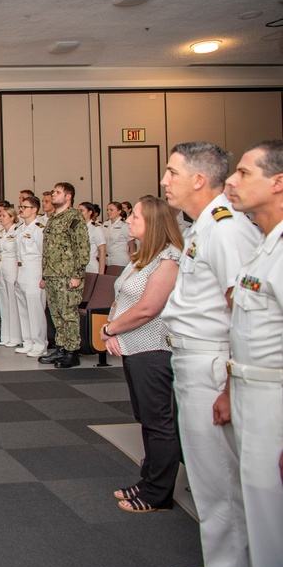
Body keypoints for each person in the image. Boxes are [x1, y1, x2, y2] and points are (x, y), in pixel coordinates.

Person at [161, 141, 261, 567]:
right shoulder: (202, 226)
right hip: (193, 360)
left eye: (172, 173)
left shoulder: (224, 227)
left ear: (198, 180)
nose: (164, 181)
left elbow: (246, 310)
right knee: (206, 477)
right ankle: (224, 566)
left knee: (219, 478)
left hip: (211, 363)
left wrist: (228, 385)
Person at [99, 196, 183, 513]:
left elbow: (148, 309)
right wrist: (113, 327)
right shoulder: (142, 257)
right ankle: (148, 480)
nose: (129, 220)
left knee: (159, 423)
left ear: (154, 224)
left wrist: (109, 330)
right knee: (145, 419)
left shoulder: (169, 260)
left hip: (154, 348)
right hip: (134, 347)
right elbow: (122, 296)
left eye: (135, 216)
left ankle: (157, 493)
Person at [223, 139, 283, 567]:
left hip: (273, 393)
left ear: (277, 182)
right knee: (258, 499)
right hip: (248, 387)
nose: (232, 179)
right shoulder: (266, 244)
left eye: (244, 172)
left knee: (269, 501)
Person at [38, 182, 89, 368]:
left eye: (57, 192)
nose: (53, 195)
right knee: (56, 314)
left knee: (69, 314)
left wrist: (77, 274)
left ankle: (72, 351)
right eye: (53, 192)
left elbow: (82, 248)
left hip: (67, 275)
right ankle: (62, 347)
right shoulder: (52, 218)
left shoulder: (74, 218)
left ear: (68, 197)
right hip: (52, 275)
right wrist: (44, 275)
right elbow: (48, 250)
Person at [15, 196, 47, 357]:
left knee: (35, 310)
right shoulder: (20, 228)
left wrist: (44, 277)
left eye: (24, 207)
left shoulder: (39, 228)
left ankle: (40, 344)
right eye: (20, 206)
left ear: (34, 209)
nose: (21, 209)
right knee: (23, 309)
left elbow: (45, 254)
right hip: (21, 271)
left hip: (34, 271)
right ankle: (28, 341)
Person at [0, 205, 22, 347]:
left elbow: (19, 252)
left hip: (12, 266)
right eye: (0, 216)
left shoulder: (17, 232)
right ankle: (6, 335)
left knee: (13, 302)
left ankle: (16, 337)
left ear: (12, 217)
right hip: (2, 266)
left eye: (4, 216)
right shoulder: (1, 232)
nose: (1, 218)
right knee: (4, 301)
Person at [78, 201, 107, 274]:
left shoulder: (96, 228)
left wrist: (101, 273)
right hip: (78, 266)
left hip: (90, 266)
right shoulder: (77, 227)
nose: (78, 213)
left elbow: (102, 251)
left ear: (90, 212)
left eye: (81, 211)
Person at [103, 202, 133, 267]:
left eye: (111, 210)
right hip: (107, 259)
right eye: (107, 210)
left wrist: (132, 262)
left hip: (120, 259)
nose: (108, 212)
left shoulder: (124, 225)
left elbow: (132, 245)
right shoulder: (105, 224)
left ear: (119, 211)